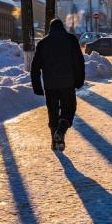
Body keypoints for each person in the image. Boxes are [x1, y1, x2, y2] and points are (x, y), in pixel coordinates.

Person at [31, 18, 85, 151]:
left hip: (50, 84)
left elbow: (35, 66)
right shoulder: (71, 40)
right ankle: (60, 131)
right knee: (69, 109)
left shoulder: (43, 43)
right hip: (68, 83)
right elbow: (79, 62)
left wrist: (37, 86)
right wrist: (79, 80)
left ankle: (55, 142)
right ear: (62, 27)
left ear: (50, 28)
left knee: (53, 112)